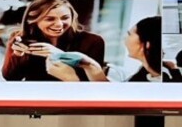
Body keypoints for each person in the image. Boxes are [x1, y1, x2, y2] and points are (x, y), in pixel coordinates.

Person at [1, 0, 105, 81]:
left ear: (73, 17)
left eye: (65, 18)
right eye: (50, 19)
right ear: (33, 20)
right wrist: (17, 56)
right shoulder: (20, 38)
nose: (59, 24)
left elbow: (93, 83)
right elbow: (10, 78)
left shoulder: (93, 41)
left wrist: (60, 55)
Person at [53, 15, 182, 82]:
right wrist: (89, 65)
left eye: (129, 34)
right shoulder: (147, 72)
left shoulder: (165, 79)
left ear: (147, 44)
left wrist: (72, 80)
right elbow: (117, 93)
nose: (125, 39)